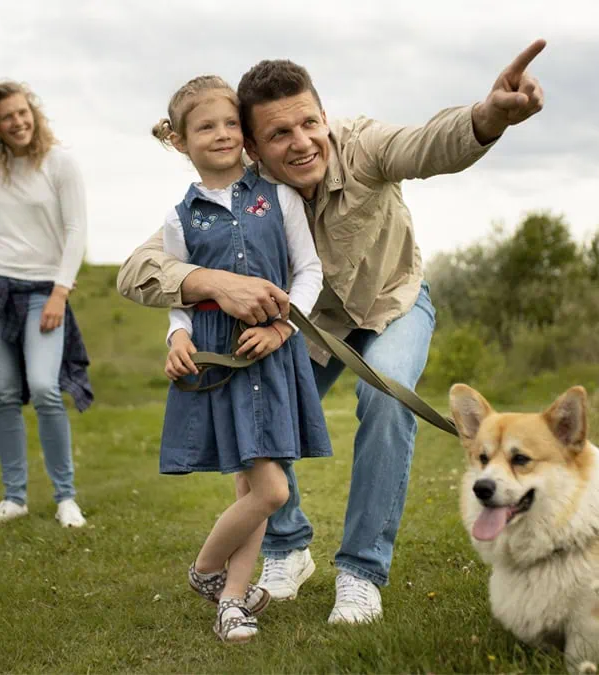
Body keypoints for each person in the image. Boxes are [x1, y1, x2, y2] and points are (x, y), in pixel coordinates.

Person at [118, 41, 546, 624]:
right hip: (307, 325)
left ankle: (361, 573)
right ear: (252, 146)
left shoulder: (363, 144)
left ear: (324, 115)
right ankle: (287, 547)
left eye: (309, 123)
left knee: (385, 394)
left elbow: (429, 144)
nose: (300, 143)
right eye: (278, 135)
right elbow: (138, 271)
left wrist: (490, 115)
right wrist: (215, 282)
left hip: (392, 303)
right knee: (259, 416)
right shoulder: (243, 190)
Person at [151, 75, 332, 642]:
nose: (223, 134)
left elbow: (309, 272)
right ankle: (218, 582)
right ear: (181, 141)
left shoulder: (277, 197)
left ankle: (226, 592)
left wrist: (282, 326)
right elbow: (178, 290)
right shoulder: (180, 218)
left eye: (231, 123)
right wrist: (176, 338)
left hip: (272, 358)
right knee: (268, 492)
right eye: (207, 126)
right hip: (217, 364)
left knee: (260, 491)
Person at [0, 80, 94, 529]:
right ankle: (14, 497)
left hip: (43, 292)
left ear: (33, 113)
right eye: (5, 117)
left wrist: (60, 291)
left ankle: (66, 498)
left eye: (22, 112)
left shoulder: (60, 163)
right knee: (6, 394)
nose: (16, 122)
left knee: (44, 388)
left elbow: (76, 231)